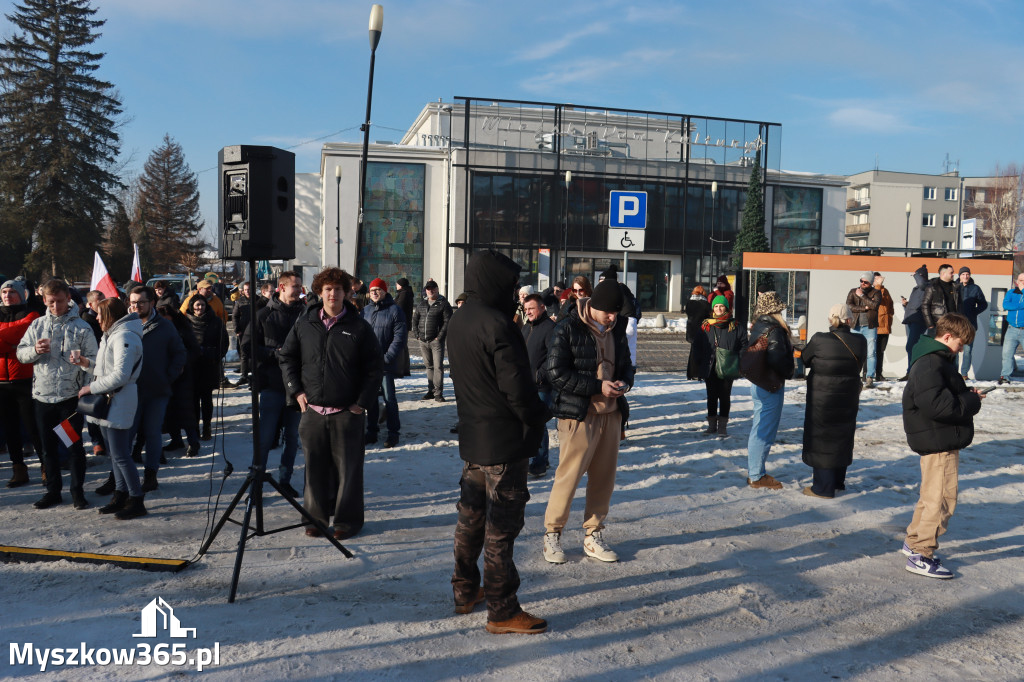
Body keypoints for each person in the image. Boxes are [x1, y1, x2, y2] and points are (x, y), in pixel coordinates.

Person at [446, 250, 550, 635]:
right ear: (494, 283)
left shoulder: (459, 320)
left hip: (474, 438)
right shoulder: (498, 324)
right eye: (510, 285)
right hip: (505, 444)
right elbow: (518, 391)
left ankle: (464, 590)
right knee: (500, 529)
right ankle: (503, 609)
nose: (516, 294)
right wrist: (538, 418)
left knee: (470, 519)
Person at [279, 267, 383, 540]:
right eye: (328, 289)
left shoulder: (359, 326)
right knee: (314, 469)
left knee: (348, 472)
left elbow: (375, 368)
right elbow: (287, 357)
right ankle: (314, 519)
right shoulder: (305, 323)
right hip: (312, 411)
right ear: (319, 292)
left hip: (347, 413)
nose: (333, 294)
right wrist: (296, 392)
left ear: (347, 293)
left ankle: (347, 523)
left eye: (338, 289)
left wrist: (361, 402)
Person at [542, 277, 634, 564]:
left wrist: (624, 384)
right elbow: (555, 373)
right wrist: (597, 387)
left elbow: (627, 365)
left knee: (604, 480)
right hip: (579, 416)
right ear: (593, 306)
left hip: (612, 414)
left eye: (616, 313)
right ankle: (552, 535)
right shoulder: (568, 327)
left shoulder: (616, 328)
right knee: (568, 477)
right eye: (608, 312)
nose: (612, 317)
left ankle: (593, 535)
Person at [901, 312, 983, 579]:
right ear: (947, 337)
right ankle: (921, 554)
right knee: (942, 500)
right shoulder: (931, 363)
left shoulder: (935, 360)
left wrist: (965, 394)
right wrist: (970, 403)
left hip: (937, 436)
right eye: (960, 343)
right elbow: (939, 405)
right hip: (938, 440)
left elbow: (939, 396)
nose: (962, 348)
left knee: (930, 496)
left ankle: (913, 541)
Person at [16, 279, 98, 509]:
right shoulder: (37, 326)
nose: (56, 306)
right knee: (47, 448)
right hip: (42, 397)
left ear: (68, 299)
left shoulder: (82, 327)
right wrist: (34, 350)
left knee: (73, 447)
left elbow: (96, 362)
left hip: (69, 399)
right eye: (51, 302)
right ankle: (53, 491)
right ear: (44, 300)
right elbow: (21, 354)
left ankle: (77, 492)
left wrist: (83, 366)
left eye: (60, 301)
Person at [76, 298, 147, 519]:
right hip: (109, 401)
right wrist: (87, 364)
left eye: (99, 314)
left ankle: (136, 499)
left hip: (118, 400)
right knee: (116, 456)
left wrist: (91, 387)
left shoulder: (123, 336)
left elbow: (121, 375)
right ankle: (120, 494)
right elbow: (108, 368)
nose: (96, 318)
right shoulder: (112, 335)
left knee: (121, 455)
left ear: (110, 316)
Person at [242, 271, 307, 495]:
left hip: (298, 387)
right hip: (272, 384)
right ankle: (256, 483)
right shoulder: (263, 315)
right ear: (281, 287)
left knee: (292, 438)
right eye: (295, 286)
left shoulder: (306, 315)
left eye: (300, 286)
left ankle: (284, 481)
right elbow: (247, 346)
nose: (299, 290)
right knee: (265, 437)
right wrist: (274, 354)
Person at [117, 286, 185, 493]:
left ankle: (150, 475)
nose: (136, 306)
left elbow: (180, 353)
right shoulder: (123, 325)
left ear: (152, 303)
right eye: (133, 302)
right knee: (125, 436)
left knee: (153, 433)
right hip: (129, 390)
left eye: (141, 302)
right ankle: (120, 479)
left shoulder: (165, 327)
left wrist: (167, 377)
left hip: (157, 391)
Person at [801, 303, 866, 499]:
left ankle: (823, 487)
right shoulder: (860, 340)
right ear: (849, 320)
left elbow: (805, 359)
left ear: (831, 319)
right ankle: (838, 481)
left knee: (822, 437)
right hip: (848, 395)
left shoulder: (819, 339)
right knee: (843, 434)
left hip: (822, 396)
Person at [743, 291, 794, 490]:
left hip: (760, 382)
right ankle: (756, 475)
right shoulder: (775, 329)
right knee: (764, 430)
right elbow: (777, 359)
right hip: (770, 384)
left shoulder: (759, 325)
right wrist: (789, 370)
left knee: (760, 427)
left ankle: (756, 471)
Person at [0, 279, 43, 487]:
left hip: (25, 380)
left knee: (33, 426)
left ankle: (46, 466)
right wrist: (14, 344)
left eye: (11, 292)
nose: (7, 295)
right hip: (1, 383)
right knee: (10, 430)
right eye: (4, 292)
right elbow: (15, 338)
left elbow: (22, 332)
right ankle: (18, 469)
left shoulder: (31, 315)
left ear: (21, 294)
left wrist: (6, 340)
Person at [360, 277, 407, 449]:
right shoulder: (365, 311)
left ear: (385, 291)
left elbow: (399, 338)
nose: (374, 293)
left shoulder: (395, 310)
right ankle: (372, 431)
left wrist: (386, 358)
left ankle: (393, 433)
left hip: (385, 365)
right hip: (368, 366)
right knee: (370, 400)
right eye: (372, 290)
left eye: (378, 290)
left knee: (390, 400)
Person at [692, 294, 748, 436]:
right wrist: (698, 361)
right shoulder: (706, 325)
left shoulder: (735, 326)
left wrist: (739, 359)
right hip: (709, 366)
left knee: (724, 396)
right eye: (716, 306)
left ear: (727, 308)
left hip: (728, 366)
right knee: (711, 396)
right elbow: (697, 345)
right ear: (712, 309)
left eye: (721, 306)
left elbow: (743, 344)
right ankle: (712, 425)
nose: (718, 309)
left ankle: (722, 426)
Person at [156, 303, 202, 458]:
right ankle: (176, 440)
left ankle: (193, 442)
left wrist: (182, 363)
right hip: (166, 376)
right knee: (169, 412)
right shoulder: (159, 330)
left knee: (185, 411)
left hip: (183, 376)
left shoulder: (183, 330)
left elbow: (194, 351)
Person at [521, 293, 555, 477]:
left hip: (541, 386)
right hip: (525, 384)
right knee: (528, 423)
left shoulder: (550, 328)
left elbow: (553, 358)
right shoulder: (527, 327)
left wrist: (538, 375)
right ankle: (531, 458)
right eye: (526, 309)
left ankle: (541, 462)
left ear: (542, 307)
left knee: (538, 423)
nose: (528, 312)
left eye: (531, 308)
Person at [185, 294, 228, 441]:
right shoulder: (185, 322)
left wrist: (215, 355)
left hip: (209, 366)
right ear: (191, 306)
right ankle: (195, 428)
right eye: (197, 305)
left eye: (202, 305)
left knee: (207, 398)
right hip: (191, 366)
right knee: (193, 399)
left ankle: (207, 426)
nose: (199, 308)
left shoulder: (215, 321)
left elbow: (224, 343)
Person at [411, 280, 452, 402]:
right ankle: (431, 390)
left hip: (436, 342)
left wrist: (439, 337)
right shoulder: (422, 304)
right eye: (428, 289)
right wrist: (417, 335)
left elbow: (447, 321)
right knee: (429, 367)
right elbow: (415, 320)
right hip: (423, 341)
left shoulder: (443, 304)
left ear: (437, 289)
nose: (430, 291)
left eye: (433, 288)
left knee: (438, 367)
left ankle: (438, 393)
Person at [845, 271, 881, 388]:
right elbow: (848, 306)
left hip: (869, 327)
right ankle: (853, 375)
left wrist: (862, 296)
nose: (862, 283)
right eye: (861, 281)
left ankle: (869, 377)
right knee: (853, 353)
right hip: (855, 326)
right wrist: (864, 308)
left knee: (871, 353)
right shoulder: (852, 291)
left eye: (865, 282)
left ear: (870, 283)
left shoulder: (876, 292)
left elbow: (875, 306)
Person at [954, 266, 988, 379]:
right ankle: (954, 372)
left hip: (970, 325)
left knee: (967, 351)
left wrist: (974, 312)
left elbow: (984, 304)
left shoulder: (975, 288)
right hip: (955, 324)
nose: (965, 276)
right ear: (959, 276)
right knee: (954, 350)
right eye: (963, 274)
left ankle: (964, 374)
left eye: (967, 274)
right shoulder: (954, 287)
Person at [900, 264, 929, 380]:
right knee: (912, 347)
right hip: (911, 320)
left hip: (919, 320)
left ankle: (913, 372)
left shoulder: (926, 285)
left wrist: (916, 275)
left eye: (918, 275)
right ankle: (910, 371)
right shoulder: (917, 289)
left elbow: (922, 283)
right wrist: (906, 305)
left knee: (911, 346)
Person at [921, 263, 961, 333]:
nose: (953, 274)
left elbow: (960, 306)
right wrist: (930, 324)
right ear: (943, 273)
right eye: (951, 273)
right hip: (937, 324)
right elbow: (925, 305)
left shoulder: (956, 287)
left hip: (953, 325)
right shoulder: (932, 287)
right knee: (936, 344)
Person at [999, 271, 1024, 384]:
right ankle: (1005, 376)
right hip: (1012, 329)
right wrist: (1021, 306)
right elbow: (1005, 305)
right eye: (1020, 280)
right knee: (1007, 354)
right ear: (1017, 281)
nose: (1022, 282)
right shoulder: (1011, 292)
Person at [685, 286, 711, 381]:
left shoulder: (689, 303)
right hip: (702, 330)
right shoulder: (705, 304)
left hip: (691, 330)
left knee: (693, 351)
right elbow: (708, 315)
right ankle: (699, 372)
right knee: (702, 352)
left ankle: (691, 373)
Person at [873, 272, 894, 381]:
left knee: (881, 351)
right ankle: (869, 374)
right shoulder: (872, 290)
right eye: (877, 279)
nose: (880, 280)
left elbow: (890, 304)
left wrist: (890, 315)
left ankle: (879, 374)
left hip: (885, 327)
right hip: (876, 326)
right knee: (871, 352)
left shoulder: (885, 291)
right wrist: (878, 285)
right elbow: (877, 300)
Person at [232, 281, 254, 386]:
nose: (247, 291)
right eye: (245, 290)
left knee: (256, 354)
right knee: (244, 354)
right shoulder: (239, 301)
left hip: (255, 331)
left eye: (249, 289)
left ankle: (255, 376)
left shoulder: (257, 300)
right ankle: (244, 376)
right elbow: (234, 316)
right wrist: (237, 330)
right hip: (243, 331)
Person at [393, 277, 415, 378]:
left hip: (402, 323)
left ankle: (402, 369)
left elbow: (398, 308)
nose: (396, 285)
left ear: (401, 285)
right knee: (404, 346)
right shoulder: (405, 293)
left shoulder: (404, 294)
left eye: (397, 284)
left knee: (401, 346)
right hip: (405, 323)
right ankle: (405, 369)